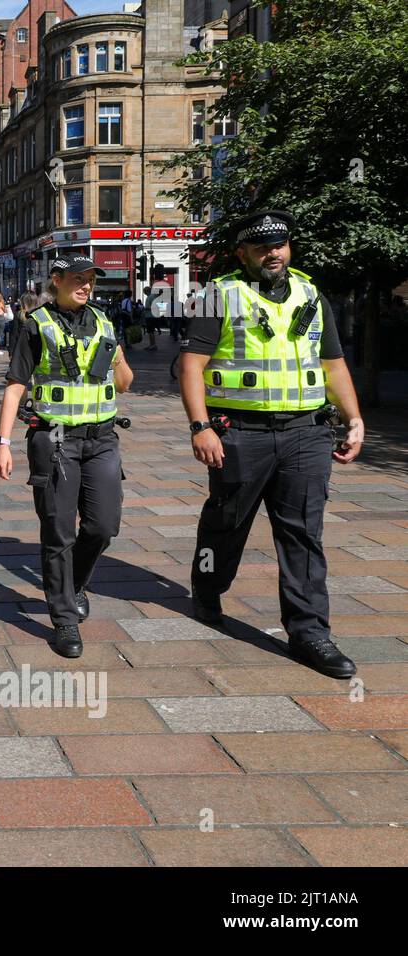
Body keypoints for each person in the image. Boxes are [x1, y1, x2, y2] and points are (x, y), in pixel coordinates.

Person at [178, 209, 363, 678]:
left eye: (279, 244)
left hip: (306, 433)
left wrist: (354, 417)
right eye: (261, 247)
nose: (273, 253)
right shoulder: (219, 296)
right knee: (227, 520)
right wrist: (201, 427)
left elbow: (333, 364)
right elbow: (191, 365)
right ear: (242, 253)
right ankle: (207, 584)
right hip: (239, 433)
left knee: (303, 532)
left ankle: (310, 633)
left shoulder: (311, 294)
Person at [0, 254, 134, 657]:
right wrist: (2, 443)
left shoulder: (104, 321)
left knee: (103, 525)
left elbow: (125, 384)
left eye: (90, 278)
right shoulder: (36, 324)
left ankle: (74, 585)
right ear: (56, 280)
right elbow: (16, 385)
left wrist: (117, 354)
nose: (86, 284)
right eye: (78, 278)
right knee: (58, 532)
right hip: (54, 438)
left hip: (103, 438)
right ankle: (65, 619)